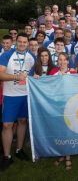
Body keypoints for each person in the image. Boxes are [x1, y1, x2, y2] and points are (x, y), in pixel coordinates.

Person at [0, 33, 36, 171]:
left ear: (27, 43)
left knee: (22, 121)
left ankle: (19, 150)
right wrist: (16, 76)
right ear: (16, 42)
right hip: (10, 95)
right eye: (19, 42)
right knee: (7, 124)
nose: (22, 44)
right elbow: (0, 74)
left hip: (26, 95)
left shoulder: (31, 57)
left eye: (24, 42)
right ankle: (6, 156)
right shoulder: (7, 55)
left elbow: (34, 75)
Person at [49, 52, 76, 170]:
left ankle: (68, 156)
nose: (62, 62)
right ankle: (61, 153)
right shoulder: (53, 72)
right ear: (57, 61)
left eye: (64, 60)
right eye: (59, 60)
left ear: (67, 61)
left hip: (70, 105)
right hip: (58, 105)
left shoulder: (74, 72)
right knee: (60, 129)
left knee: (68, 130)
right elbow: (49, 87)